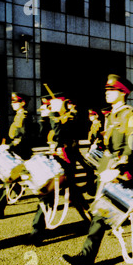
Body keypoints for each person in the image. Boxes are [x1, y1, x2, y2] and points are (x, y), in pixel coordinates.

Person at [61, 74, 133, 265]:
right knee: (115, 209)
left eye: (111, 90)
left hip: (121, 169)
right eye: (106, 90)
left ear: (122, 93)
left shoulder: (130, 114)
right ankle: (89, 256)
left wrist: (121, 166)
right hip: (108, 167)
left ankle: (89, 255)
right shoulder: (111, 115)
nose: (107, 93)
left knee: (125, 209)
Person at [29, 95, 92, 244]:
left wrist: (52, 115)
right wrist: (44, 117)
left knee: (63, 194)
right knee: (58, 194)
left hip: (66, 159)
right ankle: (37, 230)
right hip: (56, 158)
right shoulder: (57, 116)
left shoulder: (70, 117)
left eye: (55, 102)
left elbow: (59, 133)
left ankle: (37, 231)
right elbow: (43, 134)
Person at [0, 93, 33, 218]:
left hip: (21, 152)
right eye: (12, 102)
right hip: (17, 151)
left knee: (11, 180)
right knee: (10, 180)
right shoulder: (19, 116)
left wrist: (9, 146)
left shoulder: (24, 116)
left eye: (16, 102)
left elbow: (23, 137)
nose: (13, 104)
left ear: (22, 103)